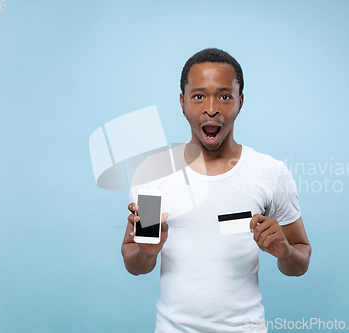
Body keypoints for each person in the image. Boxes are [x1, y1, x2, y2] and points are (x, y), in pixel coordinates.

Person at [121, 48, 311, 332]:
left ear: (240, 101)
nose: (211, 108)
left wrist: (284, 252)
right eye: (199, 96)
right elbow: (135, 263)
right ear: (182, 102)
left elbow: (300, 260)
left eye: (224, 96)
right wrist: (148, 251)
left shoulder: (270, 173)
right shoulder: (154, 172)